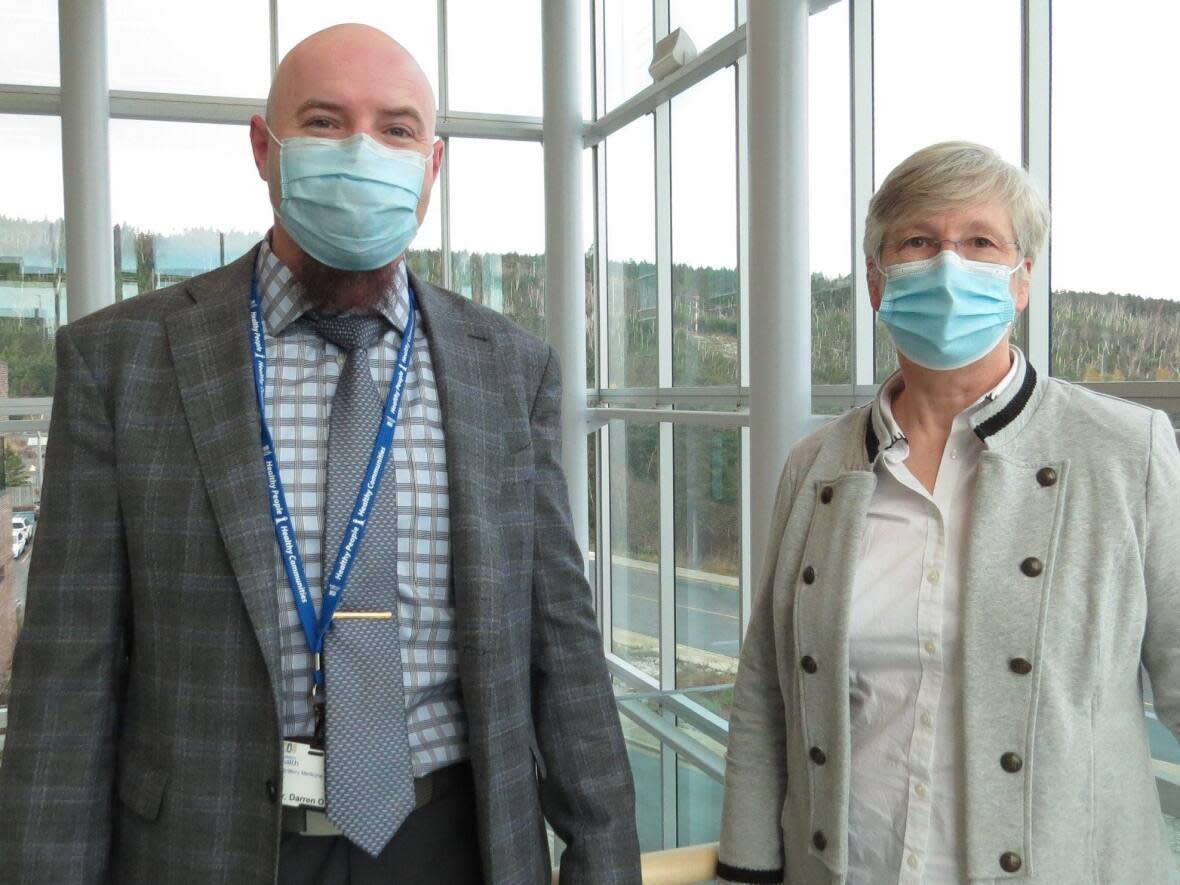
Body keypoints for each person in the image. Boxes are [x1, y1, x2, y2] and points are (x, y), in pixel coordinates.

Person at [0, 24, 640, 885]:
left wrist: (604, 861)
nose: (364, 150)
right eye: (326, 122)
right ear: (265, 148)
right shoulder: (122, 365)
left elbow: (562, 651)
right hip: (208, 845)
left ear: (433, 167)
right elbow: (65, 690)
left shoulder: (509, 371)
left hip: (449, 842)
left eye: (398, 129)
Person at [716, 141, 1180, 884]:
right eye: (919, 241)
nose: (947, 265)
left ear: (1022, 279)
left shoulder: (1125, 451)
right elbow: (768, 688)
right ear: (876, 280)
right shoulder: (818, 466)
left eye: (980, 243)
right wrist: (747, 866)